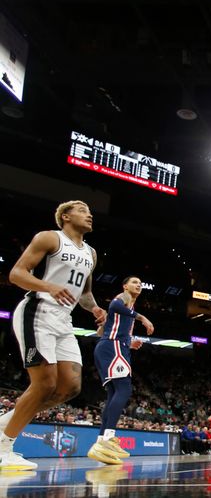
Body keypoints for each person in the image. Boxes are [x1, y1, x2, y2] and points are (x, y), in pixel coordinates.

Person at [0, 200, 107, 470]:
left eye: (90, 211)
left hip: (64, 320)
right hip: (38, 311)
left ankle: (4, 423)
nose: (89, 214)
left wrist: (94, 308)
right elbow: (16, 274)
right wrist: (48, 286)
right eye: (83, 210)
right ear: (66, 216)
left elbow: (83, 293)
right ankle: (4, 445)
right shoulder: (49, 238)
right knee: (44, 384)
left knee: (69, 387)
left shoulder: (91, 254)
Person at [88, 276, 154, 465]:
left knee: (113, 393)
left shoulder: (129, 305)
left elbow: (106, 329)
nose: (138, 284)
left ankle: (101, 442)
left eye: (141, 283)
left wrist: (128, 341)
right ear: (125, 286)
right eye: (134, 282)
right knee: (124, 389)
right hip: (113, 347)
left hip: (112, 346)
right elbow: (114, 306)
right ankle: (108, 438)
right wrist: (142, 318)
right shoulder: (124, 297)